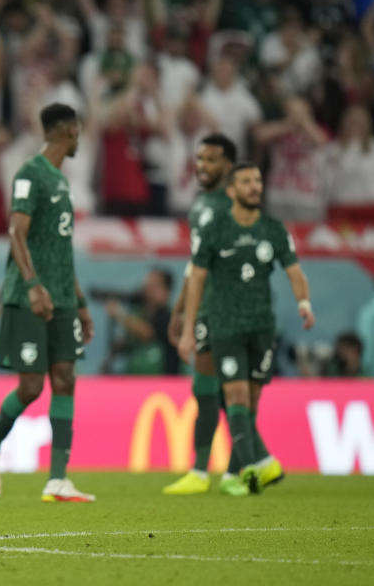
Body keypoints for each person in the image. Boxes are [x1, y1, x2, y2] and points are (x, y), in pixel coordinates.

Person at [0, 103, 96, 503]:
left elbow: (62, 251)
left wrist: (79, 303)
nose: (80, 138)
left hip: (62, 297)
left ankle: (58, 479)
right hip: (30, 295)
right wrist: (32, 285)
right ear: (68, 131)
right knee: (30, 386)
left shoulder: (62, 183)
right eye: (77, 131)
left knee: (65, 378)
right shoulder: (31, 173)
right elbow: (16, 232)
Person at [178, 163, 315, 495]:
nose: (254, 187)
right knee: (235, 394)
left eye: (257, 180)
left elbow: (294, 271)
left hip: (261, 326)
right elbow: (196, 280)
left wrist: (304, 303)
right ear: (232, 191)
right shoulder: (214, 230)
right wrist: (187, 327)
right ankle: (254, 467)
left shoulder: (273, 229)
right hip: (225, 325)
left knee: (251, 401)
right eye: (246, 181)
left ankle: (236, 472)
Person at [163, 133, 238, 496]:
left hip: (233, 309)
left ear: (228, 165)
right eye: (200, 159)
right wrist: (180, 310)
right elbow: (195, 265)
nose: (203, 167)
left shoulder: (237, 205)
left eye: (211, 160)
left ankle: (240, 467)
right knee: (207, 388)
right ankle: (200, 469)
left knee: (237, 390)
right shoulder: (200, 206)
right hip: (205, 307)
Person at [105, 268, 178, 375]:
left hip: (165, 380)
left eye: (153, 287)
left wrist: (119, 315)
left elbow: (147, 332)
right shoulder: (142, 313)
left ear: (166, 290)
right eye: (146, 286)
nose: (147, 291)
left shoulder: (169, 316)